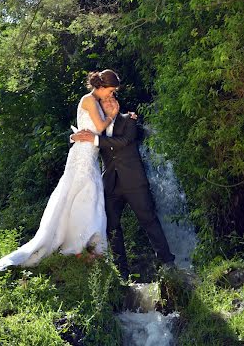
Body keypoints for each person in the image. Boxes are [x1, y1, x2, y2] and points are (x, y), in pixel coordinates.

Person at [0, 69, 119, 275]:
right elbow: (100, 128)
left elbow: (99, 132)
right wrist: (111, 115)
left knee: (89, 197)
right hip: (82, 155)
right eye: (110, 91)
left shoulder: (98, 101)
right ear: (101, 87)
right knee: (81, 195)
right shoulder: (89, 100)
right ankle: (78, 245)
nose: (111, 95)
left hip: (91, 154)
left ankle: (87, 244)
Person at [72, 72, 176, 280]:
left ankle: (168, 263)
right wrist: (76, 136)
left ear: (118, 102)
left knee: (149, 220)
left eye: (113, 98)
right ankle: (122, 273)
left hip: (134, 182)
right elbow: (85, 138)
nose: (109, 101)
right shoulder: (98, 127)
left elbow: (124, 141)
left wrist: (95, 139)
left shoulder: (129, 120)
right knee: (112, 227)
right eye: (106, 99)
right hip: (110, 184)